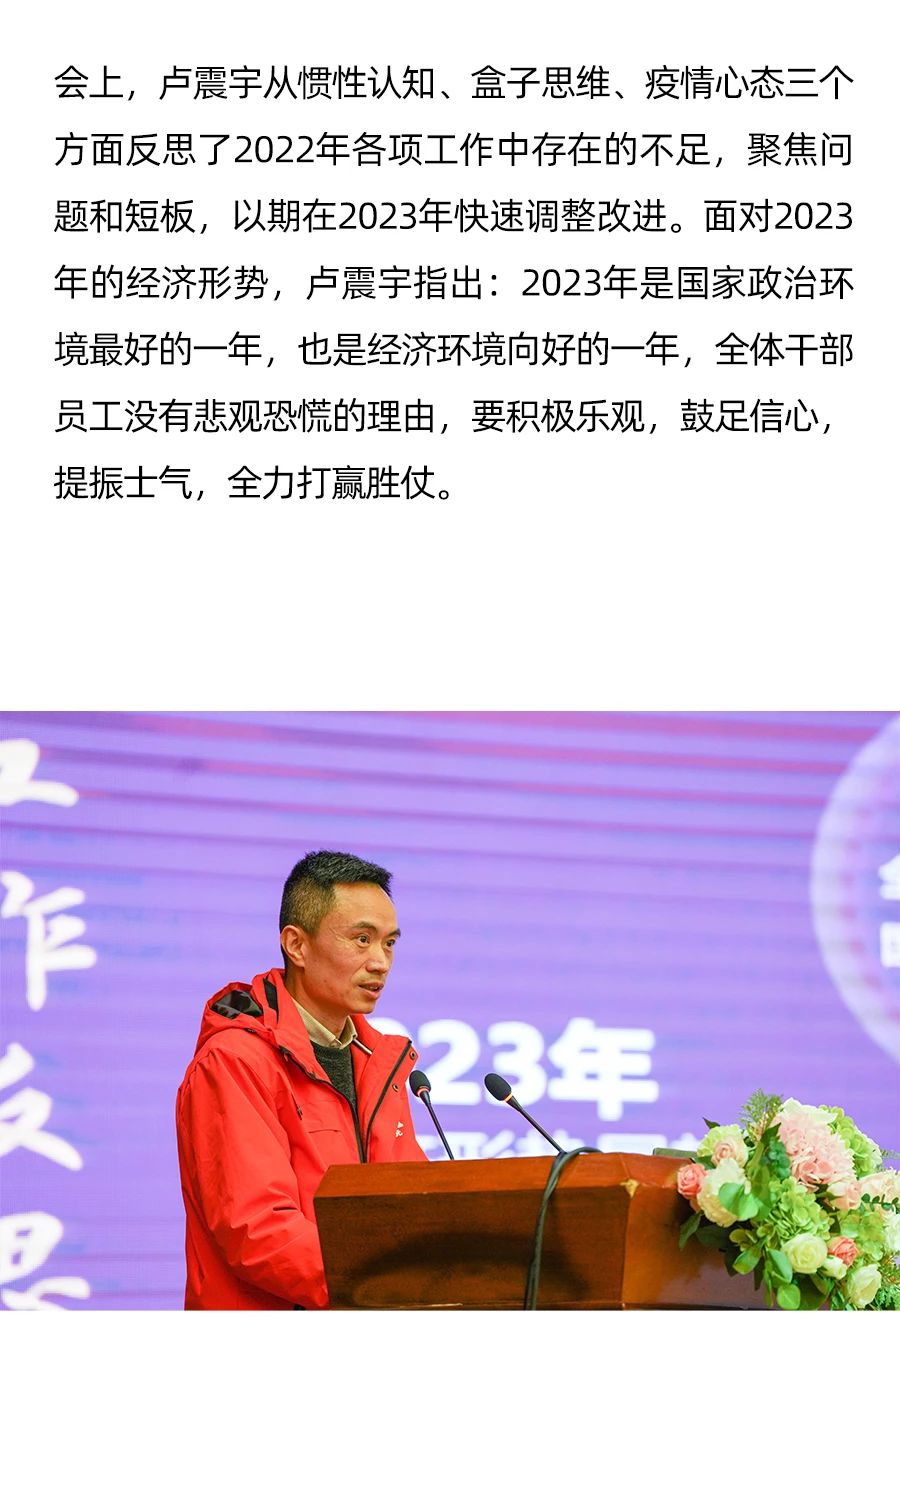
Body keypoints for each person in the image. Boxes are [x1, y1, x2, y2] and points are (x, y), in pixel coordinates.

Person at [175, 849, 427, 1309]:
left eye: (389, 943)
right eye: (362, 939)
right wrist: (383, 1292)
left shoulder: (379, 1062)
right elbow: (257, 1228)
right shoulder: (235, 1060)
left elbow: (413, 1206)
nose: (380, 962)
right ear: (296, 945)